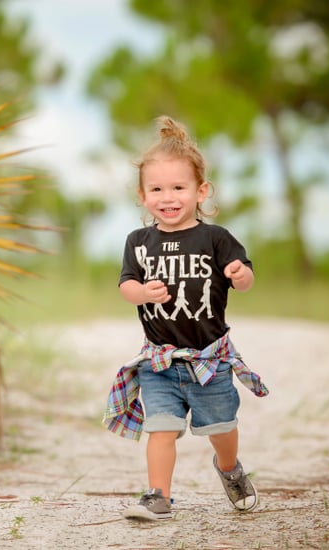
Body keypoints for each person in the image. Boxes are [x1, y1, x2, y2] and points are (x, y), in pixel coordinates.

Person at [103, 116, 269, 521]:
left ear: (200, 191)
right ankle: (158, 495)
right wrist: (142, 293)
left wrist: (239, 274)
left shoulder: (216, 238)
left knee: (221, 428)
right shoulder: (138, 243)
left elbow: (245, 280)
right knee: (160, 428)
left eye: (179, 187)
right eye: (156, 189)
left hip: (209, 360)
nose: (168, 197)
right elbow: (126, 286)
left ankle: (229, 469)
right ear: (143, 195)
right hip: (160, 361)